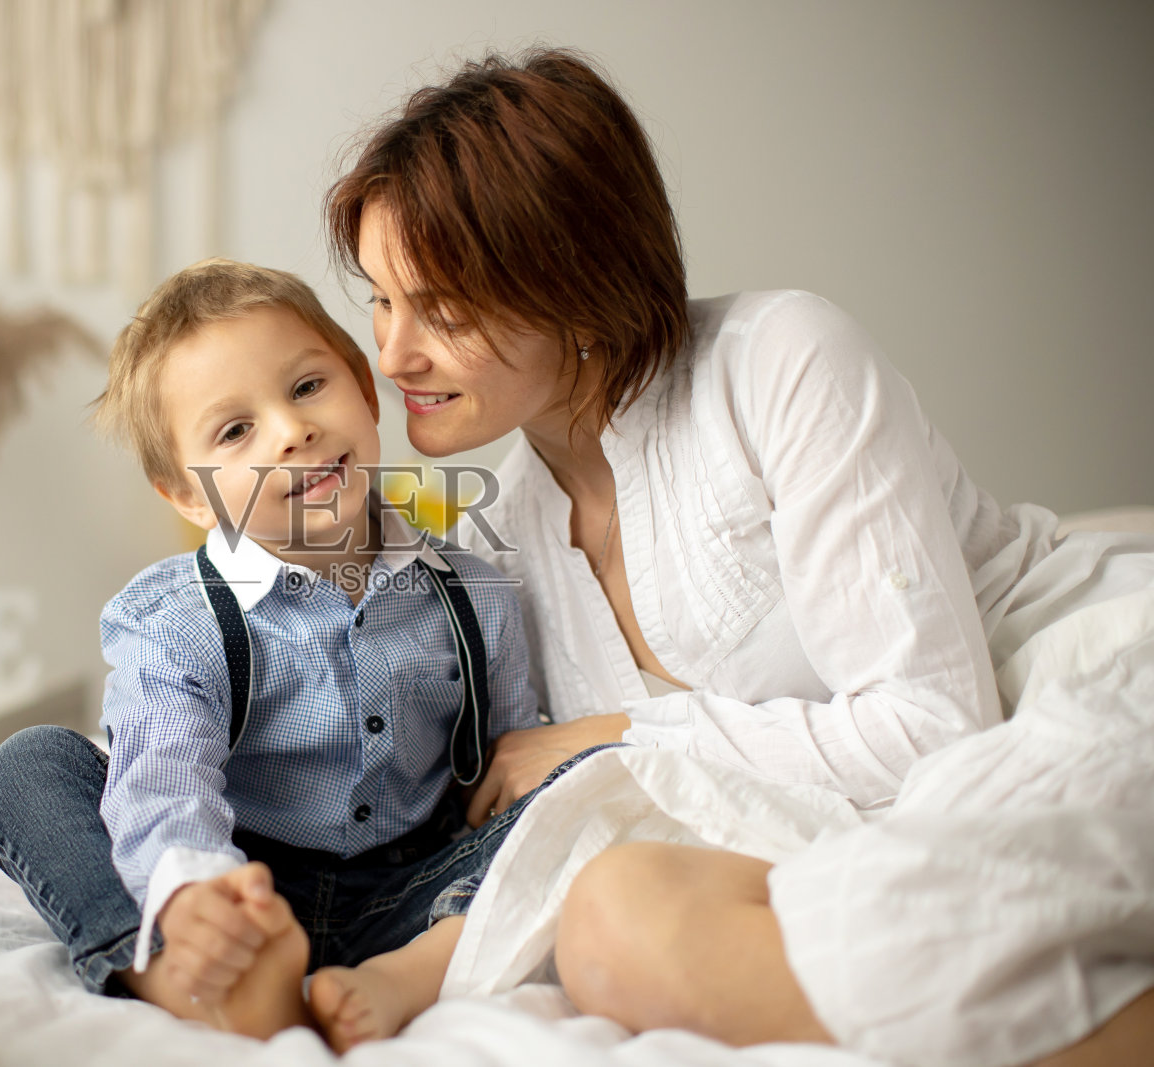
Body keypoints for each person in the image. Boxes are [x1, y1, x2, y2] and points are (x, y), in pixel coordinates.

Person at [320, 47, 1154, 1062]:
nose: (393, 354)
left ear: (574, 285)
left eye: (441, 310)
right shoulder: (503, 537)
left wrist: (616, 732)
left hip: (1057, 696)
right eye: (379, 299)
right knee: (614, 921)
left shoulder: (780, 359)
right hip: (864, 815)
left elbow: (931, 727)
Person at [0, 259, 557, 1050]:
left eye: (309, 387)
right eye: (236, 430)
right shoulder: (174, 621)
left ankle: (411, 972)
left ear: (363, 385)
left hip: (416, 894)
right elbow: (164, 782)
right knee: (27, 768)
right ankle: (178, 967)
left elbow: (510, 785)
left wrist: (542, 800)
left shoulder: (477, 595)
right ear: (184, 490)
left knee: (583, 788)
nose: (291, 430)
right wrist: (200, 898)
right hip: (247, 887)